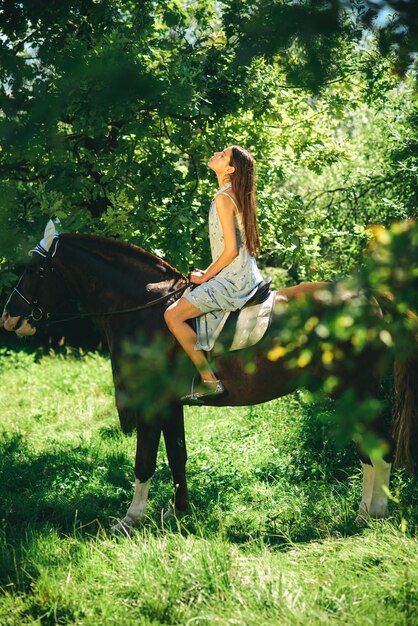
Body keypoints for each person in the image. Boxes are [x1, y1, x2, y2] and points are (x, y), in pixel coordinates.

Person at [164, 145, 264, 403]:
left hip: (233, 281)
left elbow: (230, 251)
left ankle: (209, 381)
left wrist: (205, 276)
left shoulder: (224, 198)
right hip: (246, 275)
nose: (216, 154)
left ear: (230, 169)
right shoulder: (234, 194)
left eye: (223, 155)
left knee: (172, 315)